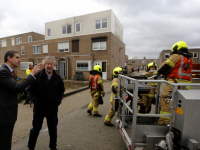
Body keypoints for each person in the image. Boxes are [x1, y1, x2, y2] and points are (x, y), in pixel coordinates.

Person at [0, 50, 40, 150]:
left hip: (7, 114)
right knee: (4, 143)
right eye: (17, 57)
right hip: (4, 116)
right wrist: (32, 74)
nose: (20, 60)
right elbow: (17, 88)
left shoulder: (9, 71)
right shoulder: (3, 71)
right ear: (9, 58)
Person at [27, 56, 65, 150]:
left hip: (52, 109)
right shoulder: (38, 76)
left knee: (53, 130)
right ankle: (31, 147)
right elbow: (29, 90)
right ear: (44, 65)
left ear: (54, 65)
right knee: (35, 129)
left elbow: (61, 91)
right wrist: (35, 99)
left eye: (51, 64)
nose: (49, 66)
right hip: (39, 109)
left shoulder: (58, 77)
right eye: (47, 64)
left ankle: (53, 147)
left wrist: (58, 101)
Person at [154, 41, 193, 125]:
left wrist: (156, 73)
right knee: (181, 103)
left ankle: (165, 122)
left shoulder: (176, 56)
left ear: (176, 48)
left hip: (174, 83)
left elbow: (166, 66)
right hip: (186, 85)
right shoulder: (189, 59)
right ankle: (180, 122)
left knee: (166, 100)